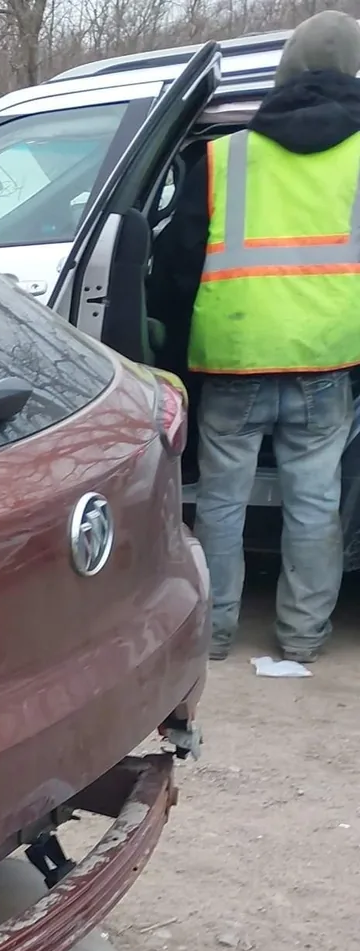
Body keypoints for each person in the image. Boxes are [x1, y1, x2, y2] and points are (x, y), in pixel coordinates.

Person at [152, 11, 360, 662]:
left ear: (284, 70)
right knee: (316, 502)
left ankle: (212, 634)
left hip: (234, 358)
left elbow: (176, 266)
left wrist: (168, 349)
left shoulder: (222, 156)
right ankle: (302, 638)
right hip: (327, 358)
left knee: (220, 502)